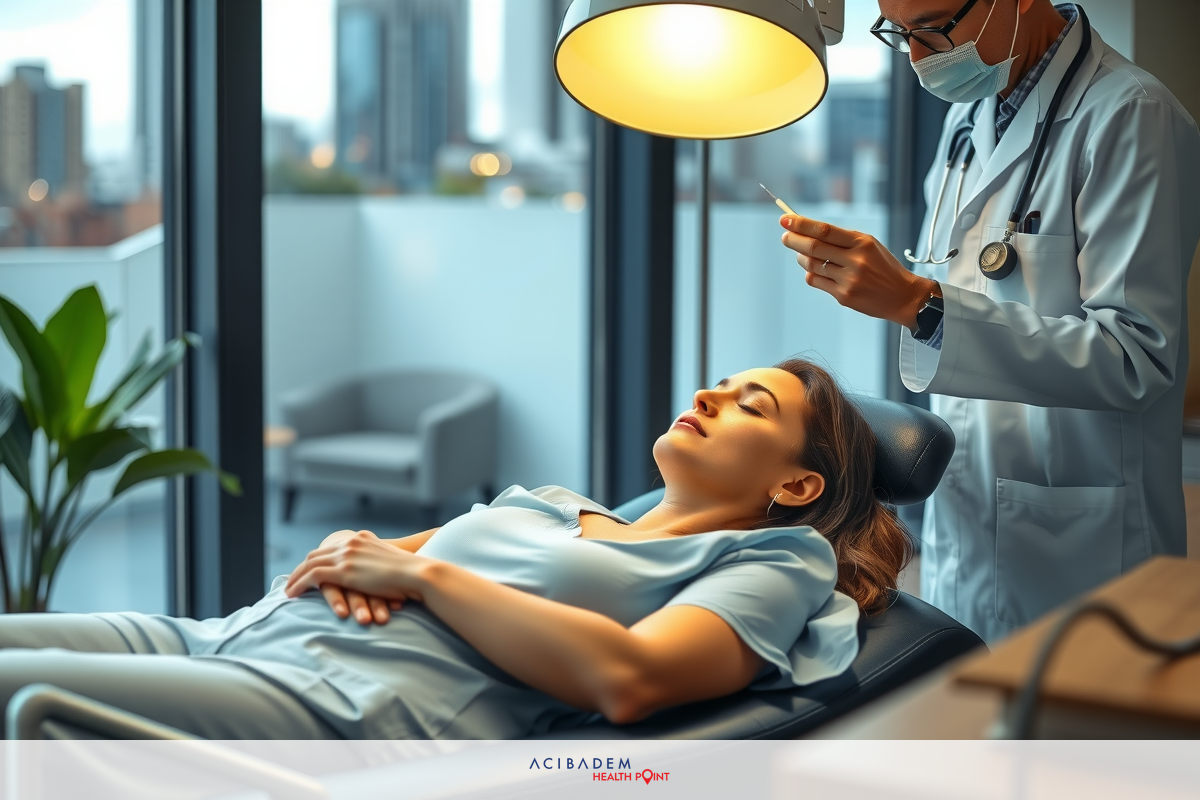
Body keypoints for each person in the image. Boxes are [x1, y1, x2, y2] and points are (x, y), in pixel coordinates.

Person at [0, 359, 910, 740]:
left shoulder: (781, 562)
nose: (709, 396)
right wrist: (354, 554)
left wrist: (422, 574)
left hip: (338, 707)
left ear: (796, 486)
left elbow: (632, 678)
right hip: (221, 635)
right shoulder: (550, 501)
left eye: (750, 405)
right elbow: (361, 551)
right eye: (717, 383)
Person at [778, 0, 1200, 642]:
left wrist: (920, 305)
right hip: (965, 519)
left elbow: (1136, 357)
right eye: (900, 32)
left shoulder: (1130, 114)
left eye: (935, 26)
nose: (919, 56)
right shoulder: (967, 121)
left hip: (1081, 544)